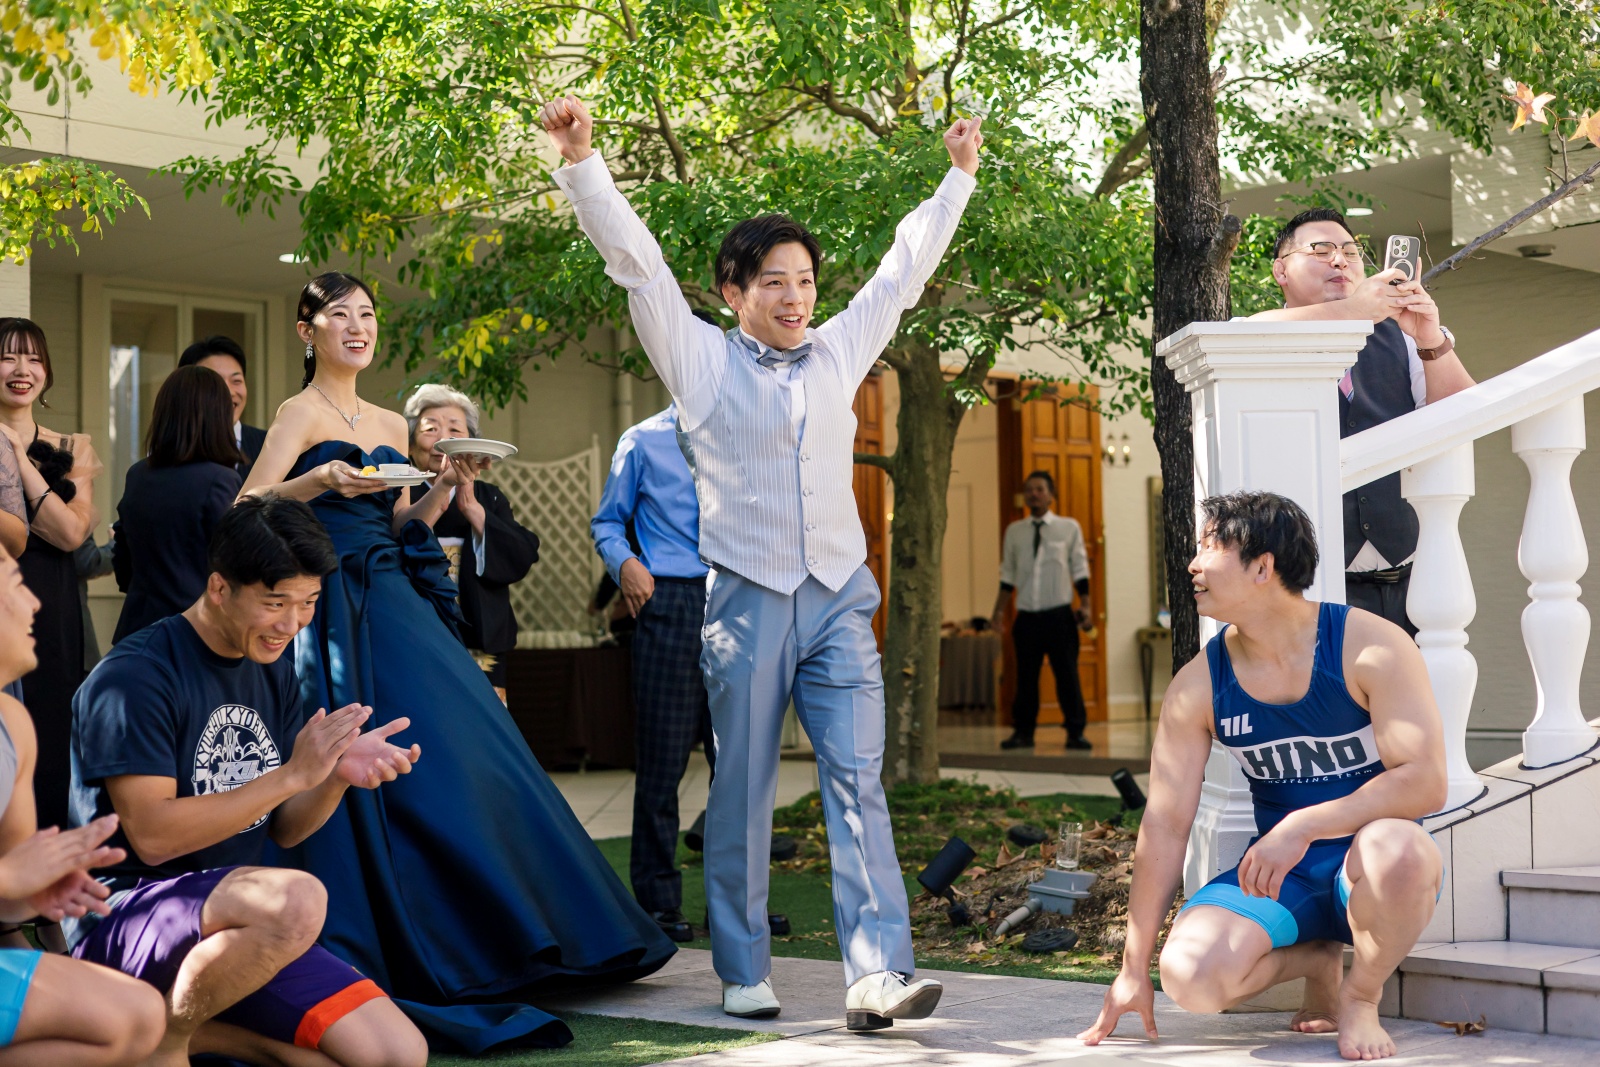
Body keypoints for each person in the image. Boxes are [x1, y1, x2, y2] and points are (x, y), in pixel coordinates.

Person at [547, 93, 981, 1029]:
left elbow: (901, 273)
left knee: (857, 780)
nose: (796, 297)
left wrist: (956, 180)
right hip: (744, 600)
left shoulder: (838, 352)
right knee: (742, 787)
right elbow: (638, 263)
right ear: (732, 293)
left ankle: (878, 973)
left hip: (837, 597)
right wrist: (582, 164)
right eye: (774, 282)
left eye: (806, 280)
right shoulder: (699, 360)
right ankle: (744, 967)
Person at [241, 271, 674, 1052]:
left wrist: (442, 487)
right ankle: (411, 935)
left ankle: (519, 931)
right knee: (366, 759)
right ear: (307, 331)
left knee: (467, 745)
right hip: (333, 603)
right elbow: (246, 506)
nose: (358, 326)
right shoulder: (296, 413)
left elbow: (397, 523)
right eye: (339, 314)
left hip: (395, 596)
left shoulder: (386, 418)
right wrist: (318, 478)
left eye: (367, 314)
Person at [1079, 490, 1447, 1062]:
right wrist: (1133, 967)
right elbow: (1166, 824)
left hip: (1368, 865)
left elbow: (1425, 782)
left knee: (1402, 850)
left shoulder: (1370, 646)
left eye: (1210, 548)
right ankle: (1316, 960)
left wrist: (1302, 826)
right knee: (1190, 978)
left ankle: (1360, 995)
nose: (1193, 565)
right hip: (1281, 877)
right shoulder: (1199, 685)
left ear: (1262, 567)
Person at [69, 495, 429, 1067]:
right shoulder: (135, 676)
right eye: (275, 602)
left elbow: (284, 827)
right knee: (298, 899)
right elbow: (154, 837)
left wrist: (331, 776)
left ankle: (195, 1035)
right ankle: (162, 1041)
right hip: (125, 920)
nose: (292, 623)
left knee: (397, 1054)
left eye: (308, 602)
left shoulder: (273, 670)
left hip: (236, 931)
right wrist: (292, 774)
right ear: (219, 588)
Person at [1250, 209, 1474, 633]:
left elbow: (1463, 415)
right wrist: (1352, 310)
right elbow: (1248, 329)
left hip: (1413, 577)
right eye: (1321, 250)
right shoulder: (1264, 335)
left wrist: (1429, 338)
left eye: (1351, 252)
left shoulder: (1401, 335)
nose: (1340, 260)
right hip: (1312, 584)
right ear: (1281, 270)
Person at [0, 542, 169, 1064]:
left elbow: (7, 907)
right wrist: (8, 878)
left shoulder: (13, 723)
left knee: (137, 1015)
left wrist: (34, 894)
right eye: (15, 586)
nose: (35, 603)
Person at [593, 400, 716, 943]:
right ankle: (658, 903)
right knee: (663, 764)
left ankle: (736, 904)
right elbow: (607, 521)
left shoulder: (746, 431)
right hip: (671, 601)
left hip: (742, 600)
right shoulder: (641, 440)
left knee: (740, 768)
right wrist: (625, 563)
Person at [0, 318, 103, 952]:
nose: (22, 370)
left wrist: (16, 456)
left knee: (51, 741)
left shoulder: (72, 445)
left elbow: (71, 533)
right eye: (8, 357)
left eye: (33, 359)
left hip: (52, 607)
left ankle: (50, 907)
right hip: (1, 596)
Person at [403, 383, 540, 702]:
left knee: (486, 721)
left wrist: (471, 507)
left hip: (481, 640)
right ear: (409, 444)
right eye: (430, 429)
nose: (443, 440)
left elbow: (522, 555)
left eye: (455, 430)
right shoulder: (400, 495)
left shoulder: (489, 497)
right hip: (417, 635)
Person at [111, 366, 244, 643]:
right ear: (218, 417)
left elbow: (123, 561)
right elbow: (234, 562)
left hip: (137, 629)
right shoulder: (220, 479)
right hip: (194, 632)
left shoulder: (137, 474)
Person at [989, 470, 1093, 751]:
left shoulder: (1068, 528)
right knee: (1025, 678)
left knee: (1067, 675)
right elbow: (1007, 575)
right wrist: (997, 612)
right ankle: (1023, 732)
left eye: (1039, 489)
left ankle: (1075, 732)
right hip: (1027, 618)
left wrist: (1085, 604)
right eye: (1029, 490)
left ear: (1051, 495)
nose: (1033, 494)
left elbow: (1080, 568)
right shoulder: (1015, 531)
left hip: (1059, 617)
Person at [179, 334, 267, 476]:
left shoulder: (270, 445)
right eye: (215, 382)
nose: (228, 392)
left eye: (236, 381)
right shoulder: (172, 450)